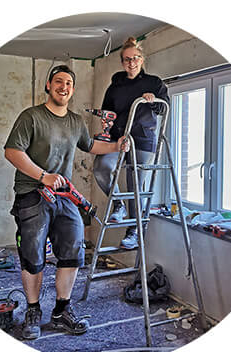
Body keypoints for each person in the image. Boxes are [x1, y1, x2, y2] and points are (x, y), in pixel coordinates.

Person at [4, 65, 129, 340]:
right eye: (58, 81)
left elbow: (90, 146)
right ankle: (34, 311)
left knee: (73, 252)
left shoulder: (75, 122)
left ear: (72, 89)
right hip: (32, 194)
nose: (64, 87)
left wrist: (117, 145)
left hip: (65, 197)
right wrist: (42, 176)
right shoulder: (31, 117)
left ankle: (61, 311)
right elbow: (12, 151)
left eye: (69, 83)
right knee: (33, 256)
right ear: (48, 85)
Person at [93, 37, 170, 250]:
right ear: (122, 62)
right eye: (127, 59)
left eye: (135, 58)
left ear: (142, 59)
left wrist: (153, 100)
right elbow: (107, 110)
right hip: (119, 138)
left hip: (143, 139)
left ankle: (134, 231)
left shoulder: (154, 83)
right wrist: (106, 120)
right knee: (101, 168)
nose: (131, 63)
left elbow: (164, 109)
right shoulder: (116, 85)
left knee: (135, 183)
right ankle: (118, 204)